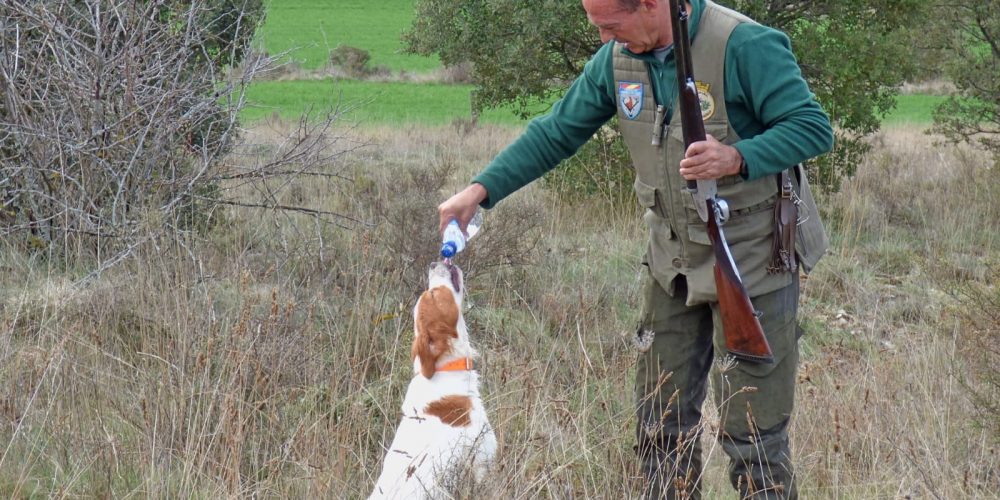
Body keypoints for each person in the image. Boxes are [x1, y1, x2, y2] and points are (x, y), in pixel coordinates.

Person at [437, 0, 833, 497]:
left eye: (609, 24)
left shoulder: (745, 45)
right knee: (658, 426)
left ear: (650, 5)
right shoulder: (617, 59)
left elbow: (813, 128)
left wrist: (736, 156)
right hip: (672, 263)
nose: (604, 38)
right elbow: (558, 130)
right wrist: (480, 190)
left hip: (752, 257)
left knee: (753, 436)